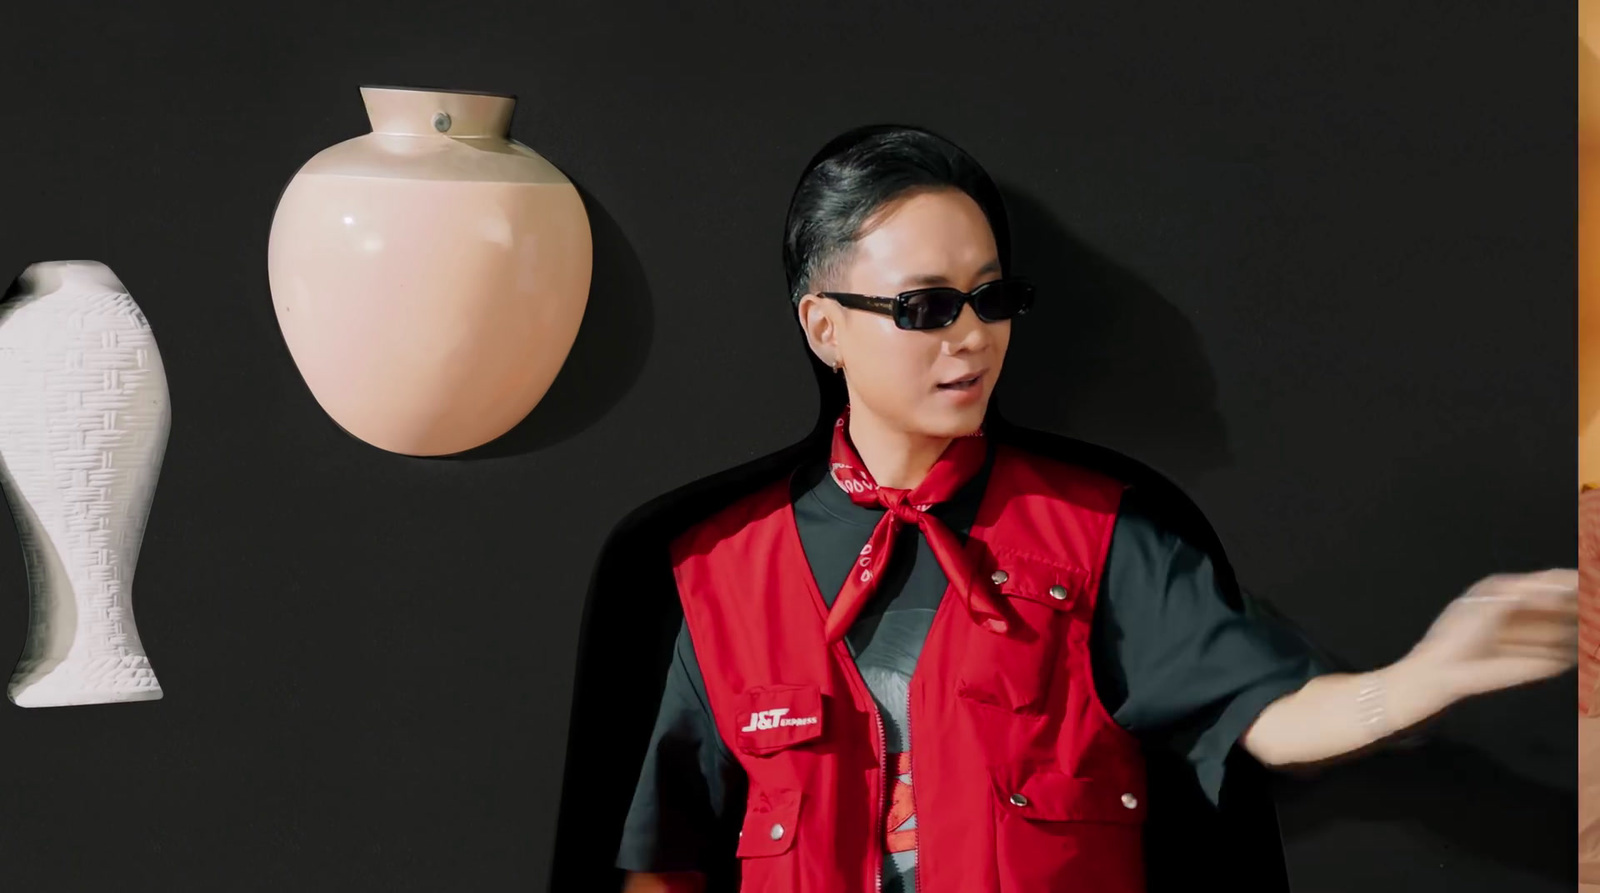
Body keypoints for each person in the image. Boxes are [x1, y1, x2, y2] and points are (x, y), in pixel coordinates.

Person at [613, 125, 1578, 893]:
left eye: (992, 299)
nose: (973, 336)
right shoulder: (719, 575)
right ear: (824, 325)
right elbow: (667, 853)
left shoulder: (1098, 536)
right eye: (925, 307)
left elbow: (1268, 715)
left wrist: (1423, 676)